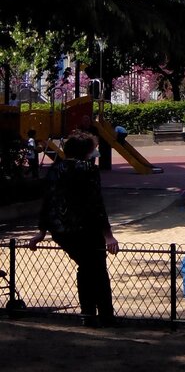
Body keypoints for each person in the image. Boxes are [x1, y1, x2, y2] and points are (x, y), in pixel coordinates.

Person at [27, 131, 119, 327]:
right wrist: (108, 234)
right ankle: (105, 315)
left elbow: (48, 200)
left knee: (85, 268)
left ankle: (88, 313)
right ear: (86, 151)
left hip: (61, 229)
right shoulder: (88, 169)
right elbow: (95, 203)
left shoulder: (55, 169)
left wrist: (42, 231)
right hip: (86, 228)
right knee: (98, 271)